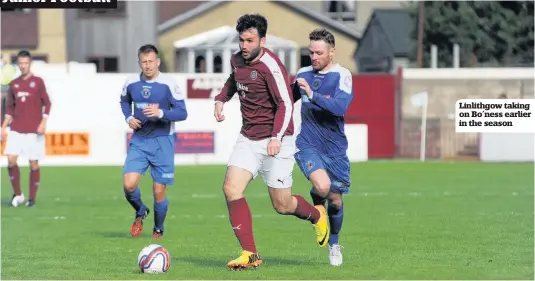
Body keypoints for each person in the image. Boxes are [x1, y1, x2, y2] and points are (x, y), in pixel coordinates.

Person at [213, 14, 329, 271]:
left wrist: (276, 137)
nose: (244, 45)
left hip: (277, 140)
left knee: (282, 204)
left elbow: (286, 103)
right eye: (241, 40)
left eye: (250, 40)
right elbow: (234, 80)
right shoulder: (236, 60)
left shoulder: (271, 66)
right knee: (231, 188)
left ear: (262, 40)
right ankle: (250, 253)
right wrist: (221, 99)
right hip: (248, 137)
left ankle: (317, 214)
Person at [292, 28, 354, 267]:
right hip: (308, 144)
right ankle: (317, 204)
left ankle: (334, 244)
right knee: (323, 185)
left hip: (335, 149)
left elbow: (339, 107)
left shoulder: (342, 75)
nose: (314, 57)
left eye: (319, 53)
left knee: (336, 200)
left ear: (331, 52)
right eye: (311, 52)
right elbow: (285, 101)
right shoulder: (303, 73)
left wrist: (313, 94)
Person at [120, 44, 188, 239]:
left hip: (162, 142)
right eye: (144, 62)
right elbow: (124, 101)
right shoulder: (131, 82)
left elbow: (182, 113)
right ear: (139, 63)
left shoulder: (169, 84)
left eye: (151, 61)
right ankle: (140, 210)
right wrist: (128, 117)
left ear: (157, 61)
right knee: (129, 185)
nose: (148, 65)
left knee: (159, 192)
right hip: (140, 140)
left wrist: (161, 113)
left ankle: (158, 228)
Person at [1, 50, 52, 208]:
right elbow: (9, 109)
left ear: (30, 64)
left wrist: (43, 122)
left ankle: (32, 198)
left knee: (33, 163)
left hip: (33, 129)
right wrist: (3, 128)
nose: (23, 66)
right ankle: (18, 194)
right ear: (18, 64)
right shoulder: (14, 84)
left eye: (25, 63)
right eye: (20, 63)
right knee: (10, 160)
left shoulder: (38, 82)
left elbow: (47, 103)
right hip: (16, 128)